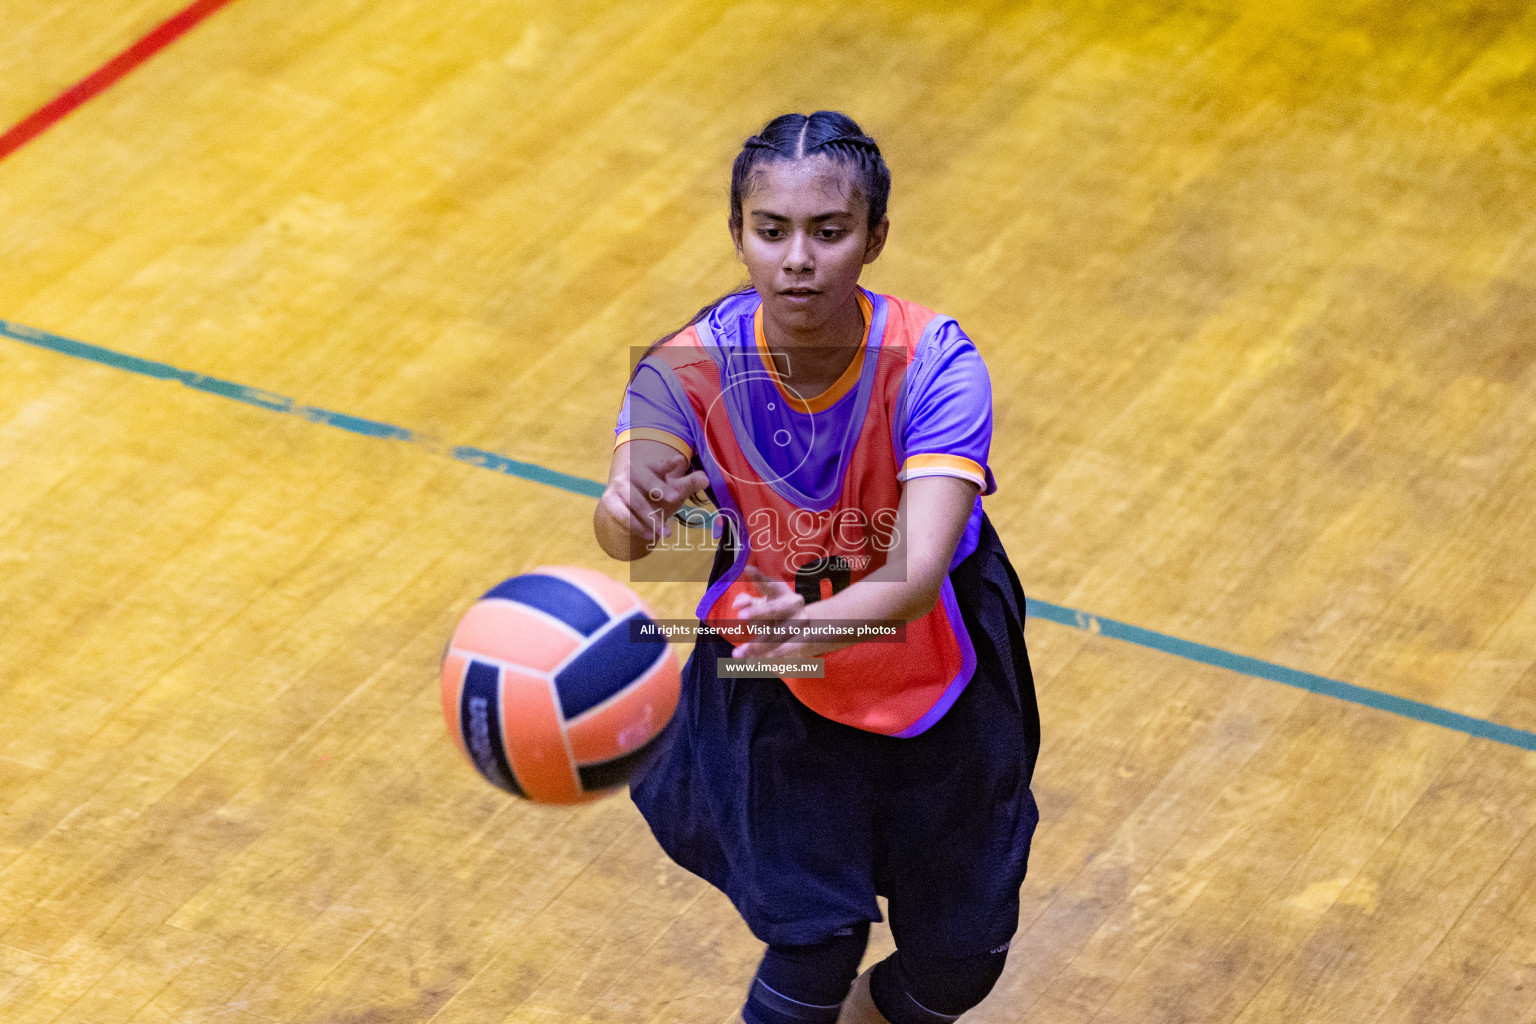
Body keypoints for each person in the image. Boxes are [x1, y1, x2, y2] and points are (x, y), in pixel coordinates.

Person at [594, 111, 1040, 1024]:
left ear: (874, 239)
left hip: (935, 660)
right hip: (780, 683)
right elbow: (634, 538)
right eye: (772, 230)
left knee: (958, 968)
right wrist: (622, 507)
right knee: (814, 939)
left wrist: (804, 625)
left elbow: (915, 571)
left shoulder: (936, 364)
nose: (798, 257)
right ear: (739, 236)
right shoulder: (689, 367)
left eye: (829, 232)